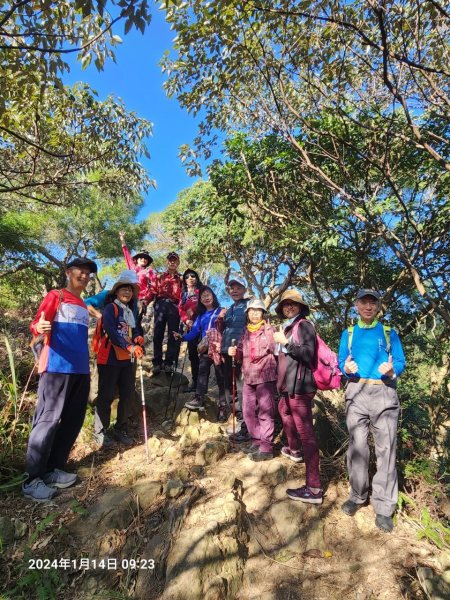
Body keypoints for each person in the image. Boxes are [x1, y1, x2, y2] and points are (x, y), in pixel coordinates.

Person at [23, 257, 97, 501]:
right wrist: (39, 327)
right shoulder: (57, 295)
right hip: (56, 367)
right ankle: (32, 479)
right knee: (48, 419)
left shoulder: (83, 304)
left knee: (73, 420)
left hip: (80, 370)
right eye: (81, 271)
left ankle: (53, 469)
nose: (85, 276)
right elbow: (37, 324)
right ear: (68, 272)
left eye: (89, 273)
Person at [338, 289, 406, 533]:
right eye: (363, 302)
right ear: (356, 305)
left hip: (384, 392)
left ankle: (385, 507)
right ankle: (357, 496)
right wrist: (346, 367)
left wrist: (392, 369)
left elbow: (400, 361)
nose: (368, 306)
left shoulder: (389, 333)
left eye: (372, 303)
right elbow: (341, 362)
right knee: (357, 447)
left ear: (378, 307)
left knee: (386, 449)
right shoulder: (348, 333)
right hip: (356, 392)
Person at [273, 289, 323, 504]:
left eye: (293, 304)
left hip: (301, 387)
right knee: (283, 410)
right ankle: (294, 450)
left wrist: (285, 342)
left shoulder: (304, 325)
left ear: (301, 307)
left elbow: (308, 354)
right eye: (286, 304)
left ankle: (314, 488)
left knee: (307, 435)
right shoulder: (289, 326)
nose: (289, 307)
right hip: (288, 386)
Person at [93, 272, 144, 447]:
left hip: (126, 359)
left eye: (130, 290)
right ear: (116, 292)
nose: (127, 292)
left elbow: (134, 330)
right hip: (109, 357)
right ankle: (101, 432)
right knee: (106, 395)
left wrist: (138, 338)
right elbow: (112, 332)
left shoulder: (129, 311)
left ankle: (120, 428)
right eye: (124, 288)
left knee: (128, 393)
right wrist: (130, 346)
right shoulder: (110, 309)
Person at [228, 298, 277, 461]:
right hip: (248, 375)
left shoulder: (269, 329)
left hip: (266, 374)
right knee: (248, 411)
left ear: (263, 313)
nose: (255, 313)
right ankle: (256, 440)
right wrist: (235, 352)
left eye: (258, 310)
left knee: (265, 411)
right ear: (247, 314)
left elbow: (274, 348)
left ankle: (266, 447)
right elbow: (241, 353)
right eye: (251, 311)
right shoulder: (245, 332)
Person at [174, 286, 226, 415]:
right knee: (202, 373)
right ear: (200, 300)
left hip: (219, 347)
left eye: (208, 295)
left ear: (213, 296)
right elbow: (195, 332)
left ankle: (223, 406)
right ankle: (199, 399)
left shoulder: (222, 311)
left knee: (221, 376)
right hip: (205, 348)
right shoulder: (201, 315)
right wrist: (182, 337)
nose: (206, 298)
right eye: (203, 296)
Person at [216, 277, 250, 440]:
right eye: (232, 288)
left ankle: (245, 424)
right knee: (229, 386)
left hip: (241, 351)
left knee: (241, 386)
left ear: (244, 290)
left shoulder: (249, 306)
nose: (234, 290)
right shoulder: (229, 309)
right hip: (226, 351)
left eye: (238, 287)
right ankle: (237, 417)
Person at [150, 252, 182, 374]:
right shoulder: (159, 276)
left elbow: (184, 294)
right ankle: (157, 362)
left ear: (178, 262)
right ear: (167, 262)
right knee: (158, 333)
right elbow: (152, 290)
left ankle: (169, 363)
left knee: (173, 334)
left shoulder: (181, 278)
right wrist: (144, 301)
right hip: (161, 303)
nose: (172, 262)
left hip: (175, 305)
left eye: (175, 260)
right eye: (170, 260)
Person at [119, 232, 156, 326]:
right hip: (127, 297)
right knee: (123, 321)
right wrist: (122, 238)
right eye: (141, 257)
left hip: (140, 300)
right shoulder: (132, 267)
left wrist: (146, 299)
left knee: (136, 323)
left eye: (146, 258)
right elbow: (126, 254)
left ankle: (135, 339)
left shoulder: (149, 271)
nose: (143, 259)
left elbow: (153, 287)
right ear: (137, 259)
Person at [178, 269, 203, 392]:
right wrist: (186, 320)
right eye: (187, 277)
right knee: (193, 356)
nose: (190, 278)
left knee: (204, 355)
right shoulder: (183, 295)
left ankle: (203, 384)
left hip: (203, 327)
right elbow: (180, 309)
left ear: (197, 278)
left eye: (193, 276)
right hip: (190, 328)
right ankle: (195, 383)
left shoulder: (202, 291)